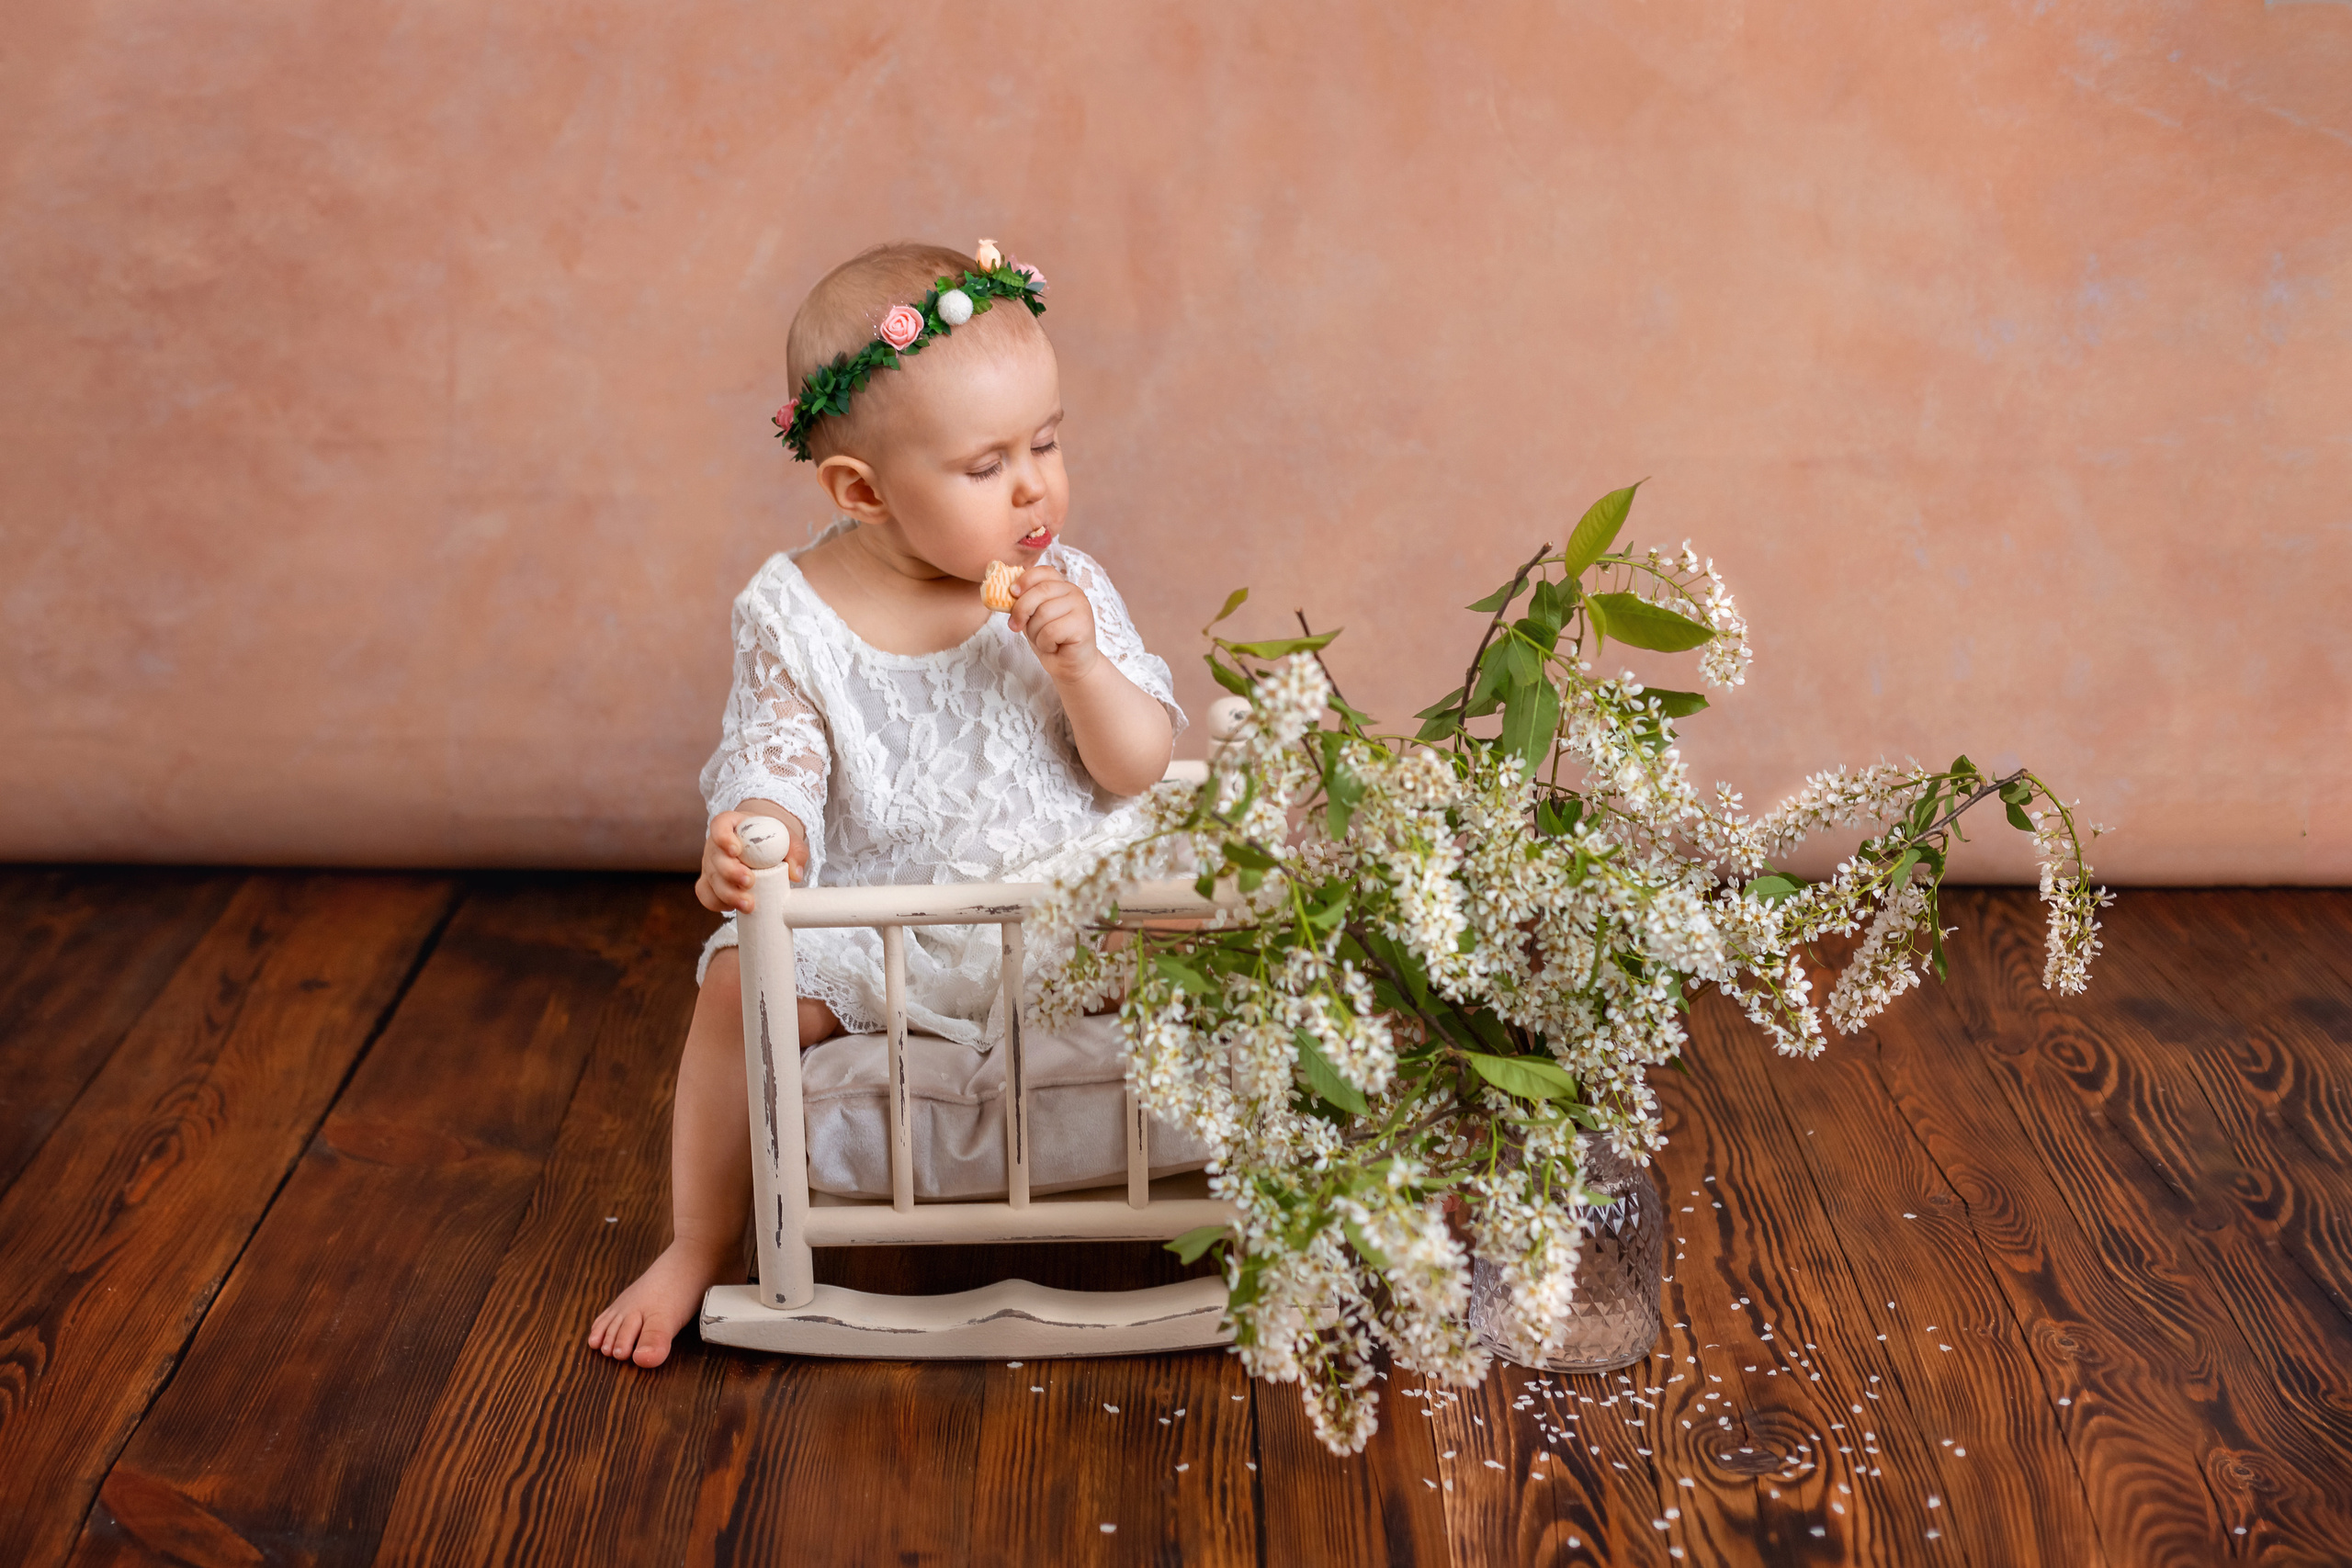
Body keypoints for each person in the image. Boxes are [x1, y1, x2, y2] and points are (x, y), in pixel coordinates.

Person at [588, 241, 1183, 1366]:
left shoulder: (1070, 589)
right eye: (984, 465)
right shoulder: (793, 612)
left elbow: (1138, 766)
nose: (1033, 487)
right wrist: (753, 832)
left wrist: (1086, 671)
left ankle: (1289, 1195)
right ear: (863, 492)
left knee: (1213, 936)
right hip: (888, 930)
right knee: (735, 984)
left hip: (1069, 909)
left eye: (1047, 443)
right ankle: (696, 1241)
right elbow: (772, 758)